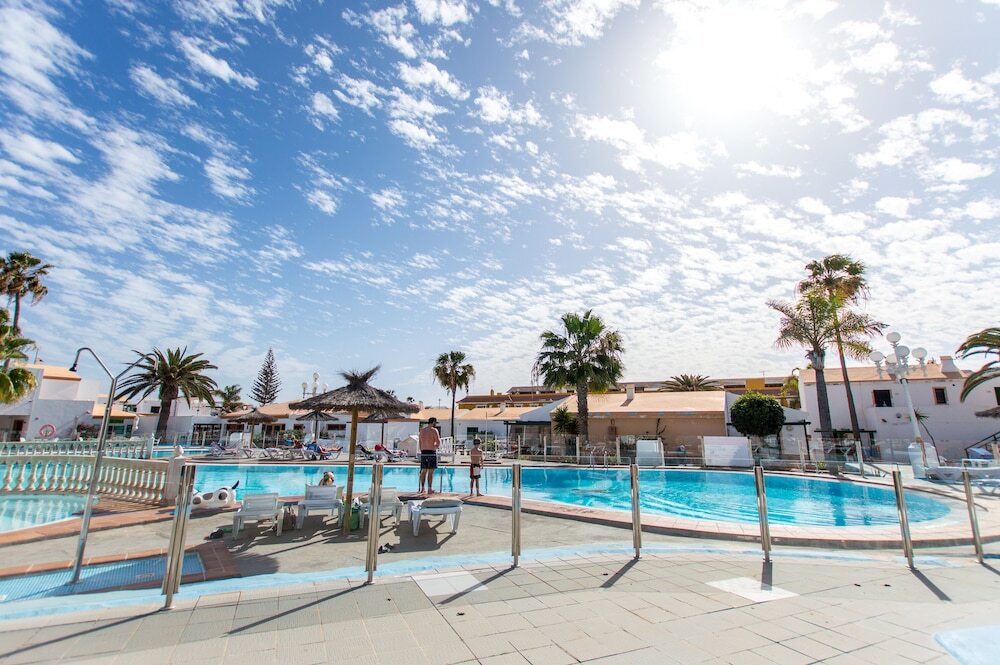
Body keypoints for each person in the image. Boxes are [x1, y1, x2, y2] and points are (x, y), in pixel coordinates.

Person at [418, 417, 441, 494]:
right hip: (431, 452)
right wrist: (435, 447)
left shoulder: (422, 430)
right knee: (430, 472)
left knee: (424, 471)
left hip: (424, 452)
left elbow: (420, 442)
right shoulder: (434, 430)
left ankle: (422, 488)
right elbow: (438, 442)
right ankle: (429, 489)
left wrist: (422, 449)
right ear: (433, 422)